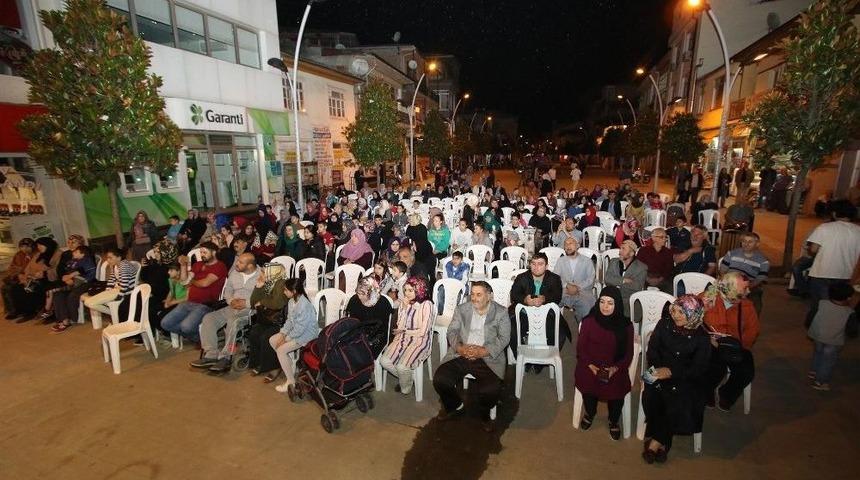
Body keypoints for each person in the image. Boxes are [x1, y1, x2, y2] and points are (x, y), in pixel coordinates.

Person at [642, 295, 711, 464]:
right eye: (675, 311)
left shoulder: (702, 337)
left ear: (694, 314)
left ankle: (656, 442)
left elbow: (699, 367)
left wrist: (672, 372)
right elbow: (652, 350)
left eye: (682, 312)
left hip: (685, 377)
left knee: (676, 400)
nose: (676, 316)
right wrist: (658, 369)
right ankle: (664, 440)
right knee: (649, 395)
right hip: (658, 369)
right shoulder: (663, 324)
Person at [433, 281, 510, 432]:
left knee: (491, 389)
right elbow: (452, 331)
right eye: (472, 294)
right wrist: (460, 348)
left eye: (479, 294)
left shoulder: (500, 312)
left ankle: (484, 413)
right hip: (462, 353)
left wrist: (483, 351)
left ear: (489, 296)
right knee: (440, 379)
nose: (474, 298)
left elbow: (504, 338)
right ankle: (455, 405)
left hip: (487, 357)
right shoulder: (462, 309)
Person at [575, 286, 634, 440]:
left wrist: (615, 368)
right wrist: (590, 365)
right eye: (602, 302)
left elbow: (628, 354)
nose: (605, 307)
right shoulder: (589, 321)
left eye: (610, 303)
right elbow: (581, 349)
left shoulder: (626, 325)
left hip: (615, 367)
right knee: (588, 382)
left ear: (617, 305)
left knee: (616, 390)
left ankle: (613, 420)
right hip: (590, 365)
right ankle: (590, 412)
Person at [191, 253, 260, 374]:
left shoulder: (262, 275)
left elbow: (265, 297)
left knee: (233, 322)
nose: (236, 264)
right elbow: (228, 290)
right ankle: (211, 355)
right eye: (237, 261)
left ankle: (226, 357)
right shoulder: (235, 273)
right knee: (208, 318)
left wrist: (247, 303)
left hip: (250, 310)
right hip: (231, 306)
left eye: (240, 262)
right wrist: (231, 300)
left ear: (250, 266)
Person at [701, 272, 759, 412]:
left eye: (747, 289)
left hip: (736, 345)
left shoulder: (747, 306)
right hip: (711, 344)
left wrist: (737, 346)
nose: (747, 293)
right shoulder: (708, 298)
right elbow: (691, 321)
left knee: (746, 372)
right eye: (742, 292)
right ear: (728, 293)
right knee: (715, 368)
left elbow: (752, 331)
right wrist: (707, 338)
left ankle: (727, 394)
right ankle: (706, 391)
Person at [802, 200, 860, 327]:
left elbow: (813, 249)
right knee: (840, 307)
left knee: (819, 306)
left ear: (834, 213)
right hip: (845, 275)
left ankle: (815, 330)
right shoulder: (858, 230)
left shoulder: (824, 228)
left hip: (822, 272)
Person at [161, 242, 228, 342]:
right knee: (165, 323)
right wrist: (183, 265)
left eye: (204, 252)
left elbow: (204, 283)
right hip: (189, 301)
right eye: (201, 252)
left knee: (186, 327)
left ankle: (202, 337)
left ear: (213, 253)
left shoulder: (220, 266)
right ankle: (200, 338)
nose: (202, 254)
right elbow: (184, 282)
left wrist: (190, 281)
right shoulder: (198, 264)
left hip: (205, 305)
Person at [379, 276, 433, 395]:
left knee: (402, 367)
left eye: (410, 290)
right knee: (384, 361)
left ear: (419, 290)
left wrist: (404, 331)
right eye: (405, 291)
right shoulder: (406, 303)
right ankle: (408, 378)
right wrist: (403, 308)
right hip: (403, 337)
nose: (406, 294)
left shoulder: (427, 305)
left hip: (419, 340)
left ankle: (406, 386)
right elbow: (400, 325)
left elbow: (422, 331)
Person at [509, 253, 567, 360]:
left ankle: (544, 359)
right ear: (530, 265)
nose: (536, 267)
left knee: (559, 332)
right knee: (510, 329)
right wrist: (525, 300)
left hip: (547, 315)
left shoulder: (554, 278)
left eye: (540, 264)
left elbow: (557, 296)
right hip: (524, 313)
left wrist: (545, 298)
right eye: (533, 264)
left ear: (546, 266)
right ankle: (521, 357)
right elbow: (514, 294)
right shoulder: (522, 277)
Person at [271, 278, 318, 393]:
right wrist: (282, 334)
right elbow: (289, 321)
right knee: (273, 340)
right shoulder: (292, 301)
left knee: (281, 350)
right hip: (296, 332)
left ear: (294, 291)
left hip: (307, 335)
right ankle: (291, 363)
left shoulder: (304, 305)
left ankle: (290, 381)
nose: (284, 292)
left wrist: (285, 340)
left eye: (286, 290)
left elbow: (300, 330)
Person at [807, 282, 856, 391]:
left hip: (818, 336)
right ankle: (820, 381)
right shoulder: (849, 312)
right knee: (828, 361)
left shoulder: (821, 304)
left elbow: (810, 317)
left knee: (818, 352)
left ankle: (813, 371)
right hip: (833, 341)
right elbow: (852, 330)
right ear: (848, 298)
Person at [719, 232, 770, 315]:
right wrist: (727, 284)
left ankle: (749, 323)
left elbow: (760, 278)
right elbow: (722, 271)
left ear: (757, 244)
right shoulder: (731, 254)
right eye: (744, 241)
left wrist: (746, 287)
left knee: (755, 305)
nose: (746, 244)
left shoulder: (763, 261)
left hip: (750, 286)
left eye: (750, 242)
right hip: (729, 283)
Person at [345, 276, 394, 357]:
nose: (359, 296)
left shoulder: (383, 303)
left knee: (361, 353)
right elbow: (351, 321)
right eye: (358, 293)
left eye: (363, 294)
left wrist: (368, 339)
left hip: (377, 336)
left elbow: (384, 329)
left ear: (371, 292)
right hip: (359, 332)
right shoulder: (354, 300)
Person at [554, 237, 596, 323]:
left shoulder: (587, 261)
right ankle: (554, 328)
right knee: (549, 301)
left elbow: (590, 279)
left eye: (571, 243)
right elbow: (556, 277)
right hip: (564, 291)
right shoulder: (561, 261)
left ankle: (584, 328)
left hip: (582, 291)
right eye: (565, 244)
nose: (568, 246)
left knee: (587, 306)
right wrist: (567, 285)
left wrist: (577, 287)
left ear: (577, 246)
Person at [603, 240, 647, 319]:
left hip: (628, 298)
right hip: (612, 296)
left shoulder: (641, 268)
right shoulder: (613, 262)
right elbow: (607, 279)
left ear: (631, 253)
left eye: (623, 249)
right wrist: (624, 280)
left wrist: (615, 282)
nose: (620, 251)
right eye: (620, 248)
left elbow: (637, 287)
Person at [637, 228, 675, 293]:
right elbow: (638, 267)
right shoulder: (643, 250)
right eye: (662, 237)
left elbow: (669, 269)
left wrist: (660, 279)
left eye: (665, 237)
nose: (665, 239)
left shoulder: (668, 252)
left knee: (670, 288)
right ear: (653, 238)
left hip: (661, 278)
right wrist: (647, 278)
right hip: (645, 278)